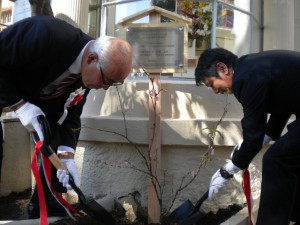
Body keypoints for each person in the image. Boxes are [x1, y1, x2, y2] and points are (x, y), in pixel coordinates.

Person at [0, 16, 132, 218]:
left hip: (38, 97)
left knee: (53, 131)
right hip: (6, 82)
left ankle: (46, 200)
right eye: (106, 81)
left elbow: (72, 112)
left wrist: (67, 154)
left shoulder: (93, 70)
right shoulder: (47, 34)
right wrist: (20, 105)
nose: (104, 88)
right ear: (91, 59)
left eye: (112, 84)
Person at [195, 48, 300, 225]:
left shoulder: (246, 78)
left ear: (223, 68)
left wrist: (228, 170)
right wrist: (266, 136)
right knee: (289, 158)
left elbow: (253, 133)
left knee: (276, 160)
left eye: (211, 83)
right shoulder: (252, 67)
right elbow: (283, 105)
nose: (215, 91)